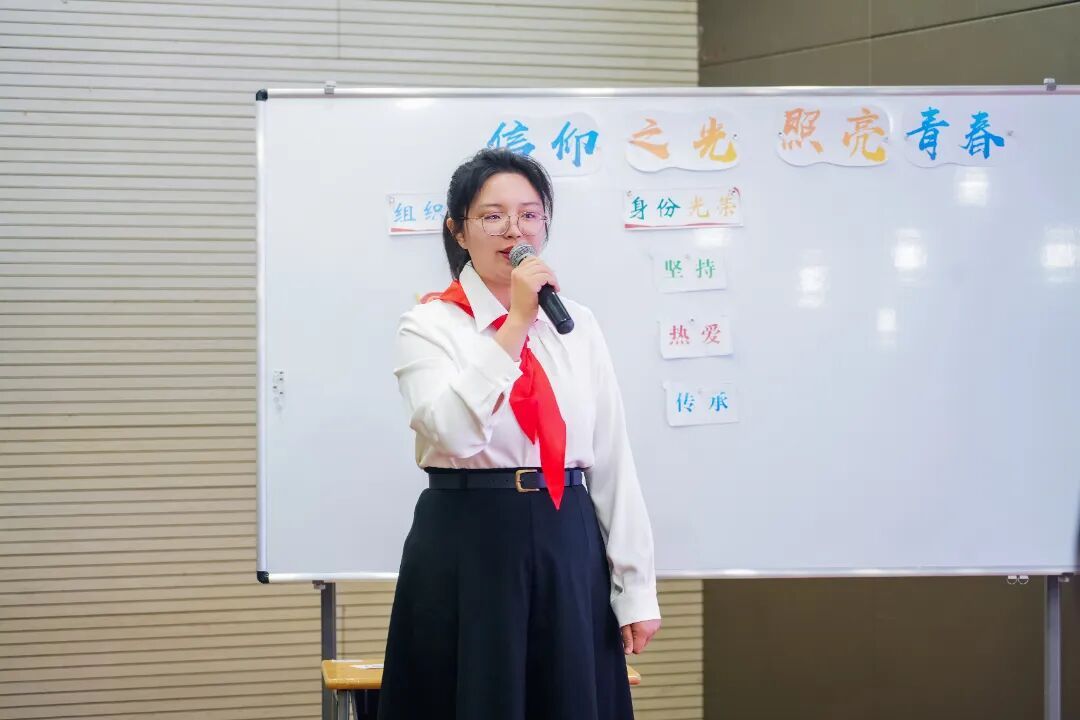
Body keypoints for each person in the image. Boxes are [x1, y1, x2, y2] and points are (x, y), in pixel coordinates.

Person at [378, 148, 661, 720]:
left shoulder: (577, 323)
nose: (515, 230)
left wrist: (636, 588)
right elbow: (452, 435)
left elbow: (611, 458)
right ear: (458, 231)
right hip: (468, 539)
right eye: (493, 216)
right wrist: (516, 325)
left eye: (529, 215)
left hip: (566, 535)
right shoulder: (429, 324)